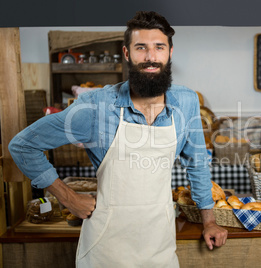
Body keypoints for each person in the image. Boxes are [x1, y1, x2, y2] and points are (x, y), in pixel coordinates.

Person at [9, 11, 228, 267]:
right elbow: (23, 145)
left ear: (170, 52)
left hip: (159, 245)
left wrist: (209, 221)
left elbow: (198, 164)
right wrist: (68, 198)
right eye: (140, 48)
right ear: (127, 54)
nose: (150, 57)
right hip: (105, 249)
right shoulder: (96, 106)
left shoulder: (186, 101)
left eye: (159, 47)